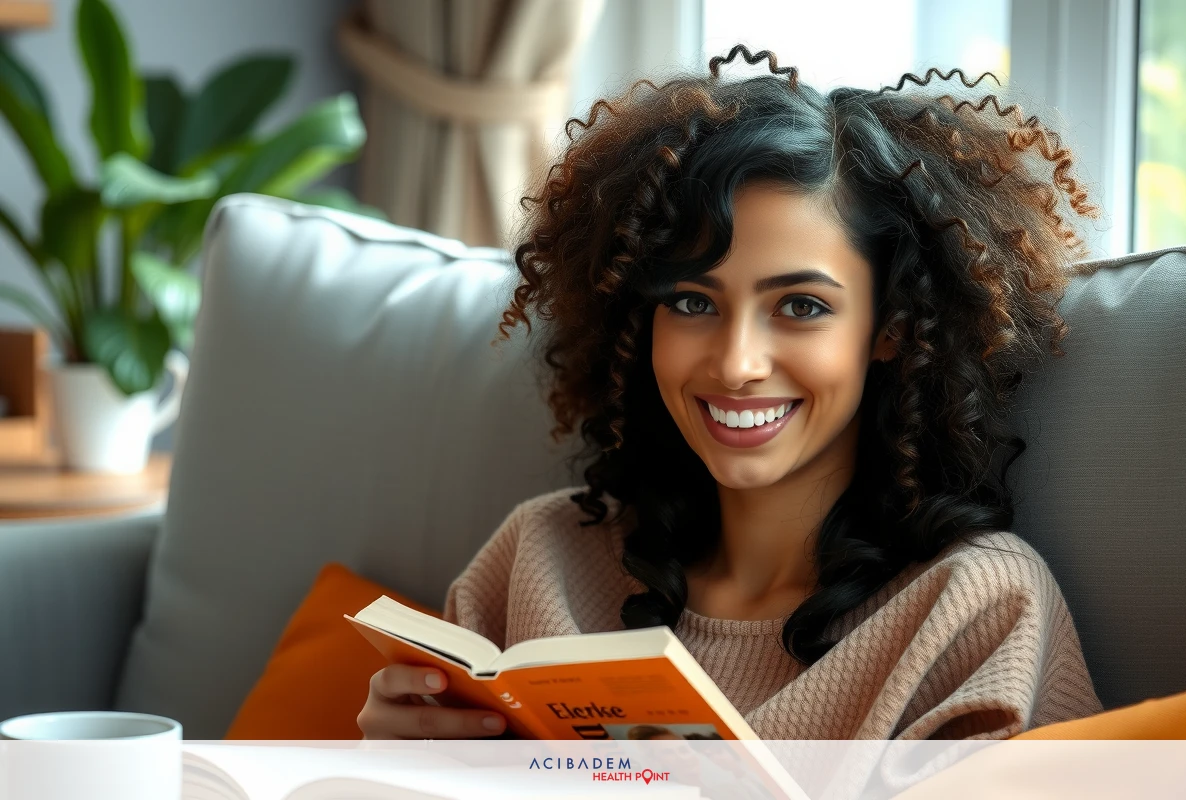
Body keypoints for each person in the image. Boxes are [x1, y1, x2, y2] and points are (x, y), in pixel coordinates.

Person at [358, 45, 1104, 741]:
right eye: (691, 302)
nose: (737, 363)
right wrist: (393, 763)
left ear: (892, 329)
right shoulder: (538, 559)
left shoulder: (974, 609)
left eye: (801, 307)